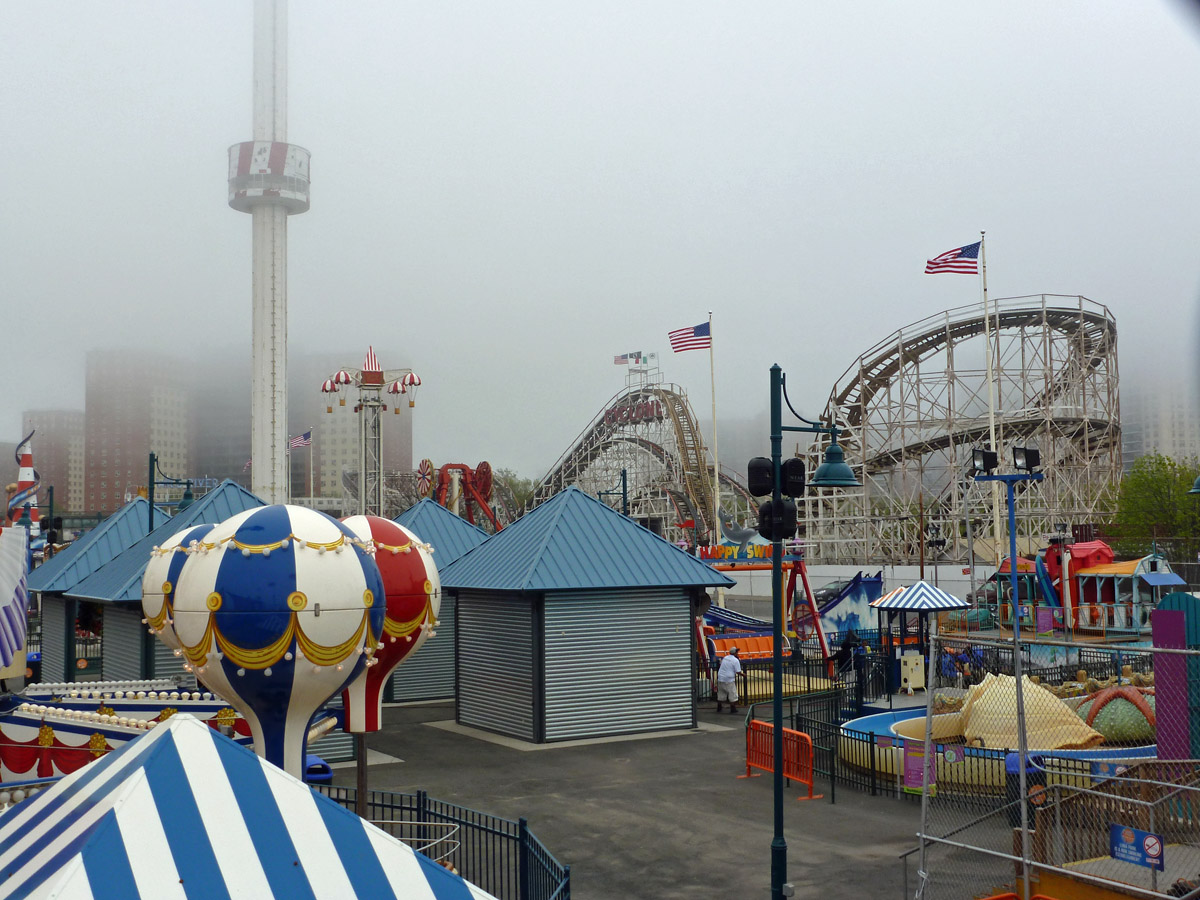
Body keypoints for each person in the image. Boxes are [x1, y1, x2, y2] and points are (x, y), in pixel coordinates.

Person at [715, 646, 742, 714]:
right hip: (729, 679)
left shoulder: (725, 658)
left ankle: (719, 707)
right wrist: (744, 675)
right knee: (732, 693)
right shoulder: (735, 660)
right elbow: (738, 671)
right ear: (735, 653)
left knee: (721, 693)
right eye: (737, 652)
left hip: (720, 678)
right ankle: (733, 708)